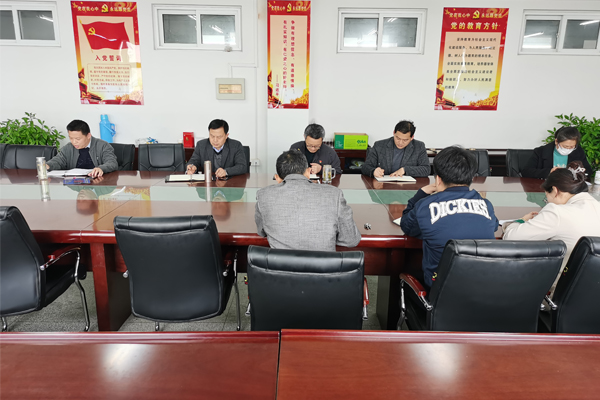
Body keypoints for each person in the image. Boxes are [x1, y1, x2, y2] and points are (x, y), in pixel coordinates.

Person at [400, 146, 499, 288]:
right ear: (471, 178)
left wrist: (421, 194)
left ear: (438, 179)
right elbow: (493, 226)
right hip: (484, 287)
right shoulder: (486, 205)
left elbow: (407, 226)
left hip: (441, 290)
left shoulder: (426, 205)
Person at [503, 161, 600, 294]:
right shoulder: (596, 205)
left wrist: (521, 221)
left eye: (546, 197)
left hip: (563, 291)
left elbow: (510, 238)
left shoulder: (557, 212)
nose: (547, 201)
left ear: (555, 191)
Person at [255, 150, 361, 251]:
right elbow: (351, 240)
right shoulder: (334, 194)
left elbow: (262, 232)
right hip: (323, 264)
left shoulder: (263, 195)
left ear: (277, 178)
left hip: (279, 264)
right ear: (308, 172)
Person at [46, 119, 117, 178]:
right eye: (71, 138)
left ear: (88, 135)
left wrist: (101, 168)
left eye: (78, 139)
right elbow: (58, 160)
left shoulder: (103, 146)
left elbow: (112, 163)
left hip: (98, 184)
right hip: (75, 184)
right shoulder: (68, 147)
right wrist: (48, 165)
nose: (74, 142)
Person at [361, 120, 430, 178]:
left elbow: (426, 169)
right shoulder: (379, 145)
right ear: (394, 133)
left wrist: (405, 170)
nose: (400, 142)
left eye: (405, 140)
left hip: (407, 187)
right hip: (383, 186)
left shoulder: (419, 146)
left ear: (412, 137)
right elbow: (365, 167)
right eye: (398, 138)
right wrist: (374, 171)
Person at [522, 126, 592, 179]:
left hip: (570, 188)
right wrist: (549, 171)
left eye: (571, 147)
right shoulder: (541, 151)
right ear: (556, 141)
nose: (568, 149)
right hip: (546, 187)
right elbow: (526, 172)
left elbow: (588, 171)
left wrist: (581, 172)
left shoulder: (578, 151)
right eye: (565, 146)